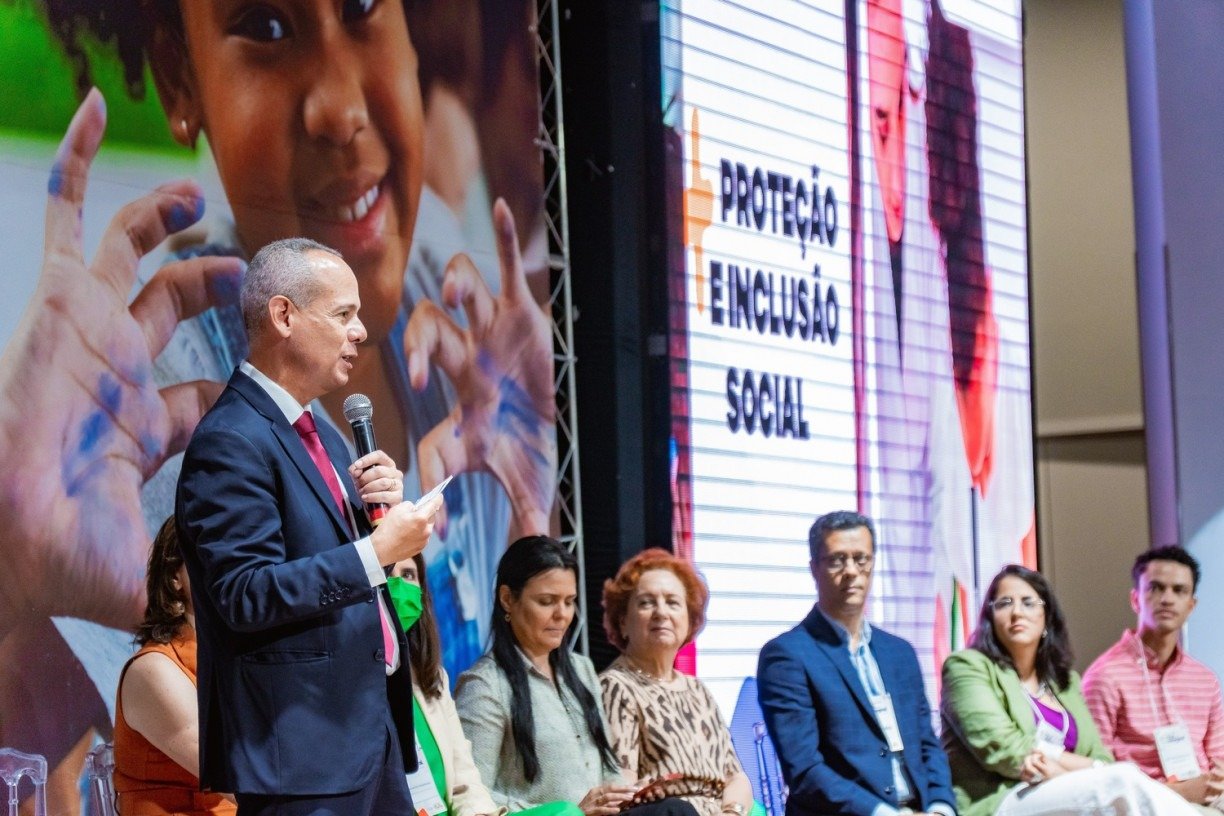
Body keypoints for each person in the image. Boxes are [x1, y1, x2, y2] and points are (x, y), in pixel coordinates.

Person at [177, 238, 443, 814]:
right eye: (343, 314)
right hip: (301, 757)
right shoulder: (232, 439)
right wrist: (373, 553)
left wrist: (379, 516)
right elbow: (244, 593)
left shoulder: (311, 430)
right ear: (284, 316)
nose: (360, 332)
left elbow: (338, 572)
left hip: (366, 737)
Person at [940, 564, 1201, 816]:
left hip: (1064, 789)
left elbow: (1100, 757)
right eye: (1004, 603)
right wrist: (1082, 771)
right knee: (1122, 783)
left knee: (1123, 780)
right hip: (1002, 799)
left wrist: (1066, 770)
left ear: (1046, 618)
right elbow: (1007, 749)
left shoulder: (1065, 682)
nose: (1016, 612)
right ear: (990, 617)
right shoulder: (967, 667)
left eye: (1028, 603)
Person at [756, 511, 956, 816]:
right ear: (814, 568)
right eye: (837, 559)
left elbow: (927, 744)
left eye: (861, 558)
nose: (851, 570)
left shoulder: (899, 652)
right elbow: (805, 770)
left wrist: (941, 808)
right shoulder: (786, 656)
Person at [454, 536, 634, 815]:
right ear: (507, 599)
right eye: (547, 601)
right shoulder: (485, 685)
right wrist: (570, 812)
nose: (562, 614)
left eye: (570, 601)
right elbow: (471, 796)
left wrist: (622, 795)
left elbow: (607, 766)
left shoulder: (581, 669)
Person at [599, 549, 753, 816]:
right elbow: (619, 788)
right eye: (646, 603)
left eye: (672, 602)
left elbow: (736, 777)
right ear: (623, 622)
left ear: (689, 620)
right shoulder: (617, 686)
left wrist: (733, 812)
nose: (661, 612)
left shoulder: (698, 690)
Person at [1083, 547, 1224, 811]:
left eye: (1179, 590)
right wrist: (1175, 792)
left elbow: (1219, 759)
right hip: (1142, 804)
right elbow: (1095, 772)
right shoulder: (1105, 676)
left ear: (1191, 605)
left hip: (1207, 800)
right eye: (1156, 588)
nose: (1167, 599)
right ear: (1135, 599)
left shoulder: (1204, 680)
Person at [113, 516, 236, 815]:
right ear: (175, 577)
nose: (234, 570)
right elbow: (243, 784)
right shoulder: (154, 671)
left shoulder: (235, 657)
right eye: (213, 556)